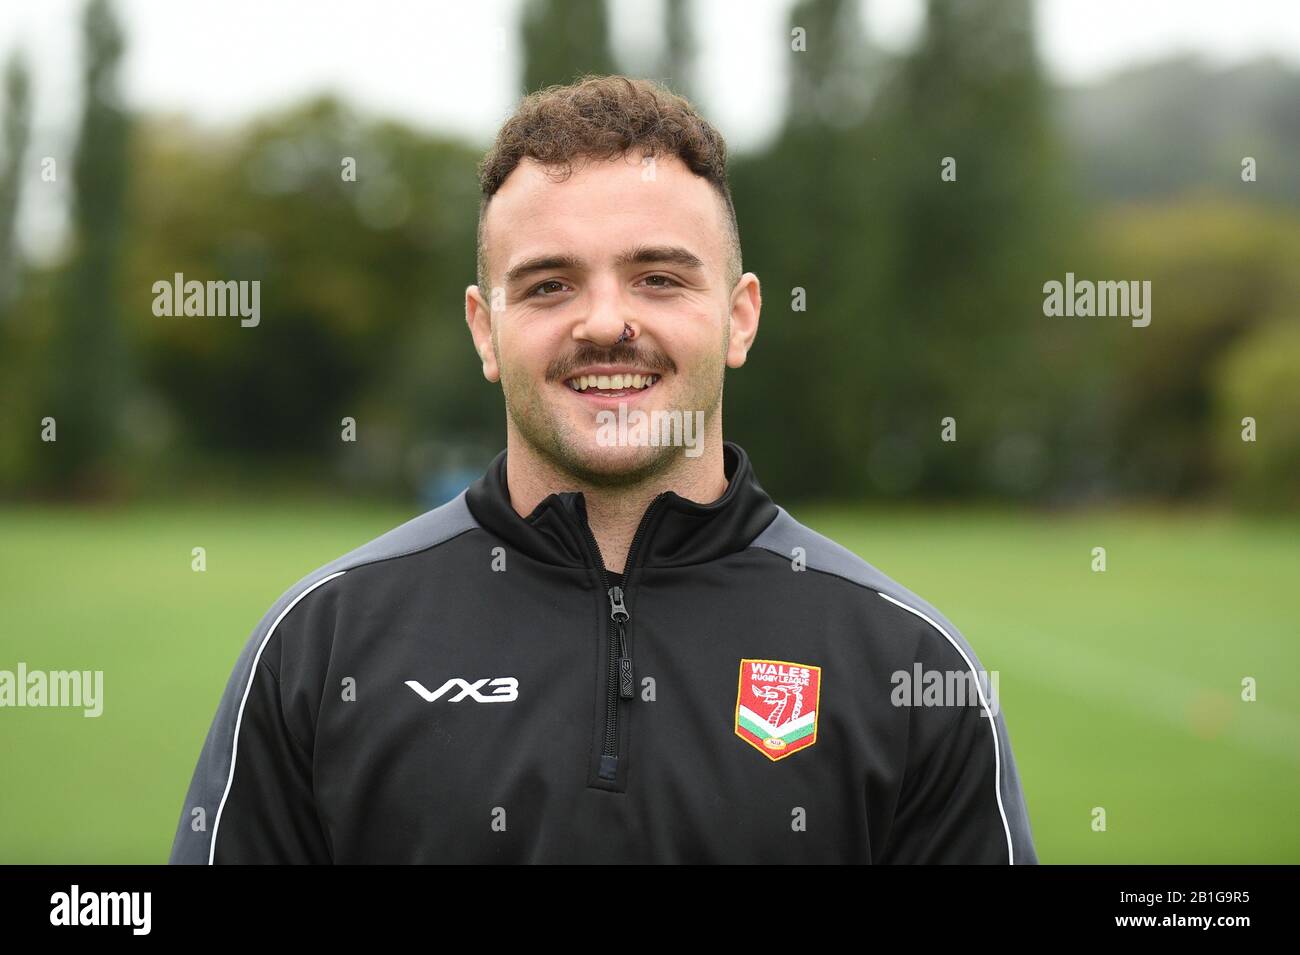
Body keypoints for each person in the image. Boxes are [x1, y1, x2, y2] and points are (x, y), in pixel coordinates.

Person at [168, 74, 1037, 864]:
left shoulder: (910, 667)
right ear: (484, 328)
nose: (605, 322)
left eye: (658, 277)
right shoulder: (320, 648)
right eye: (549, 285)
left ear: (740, 318)